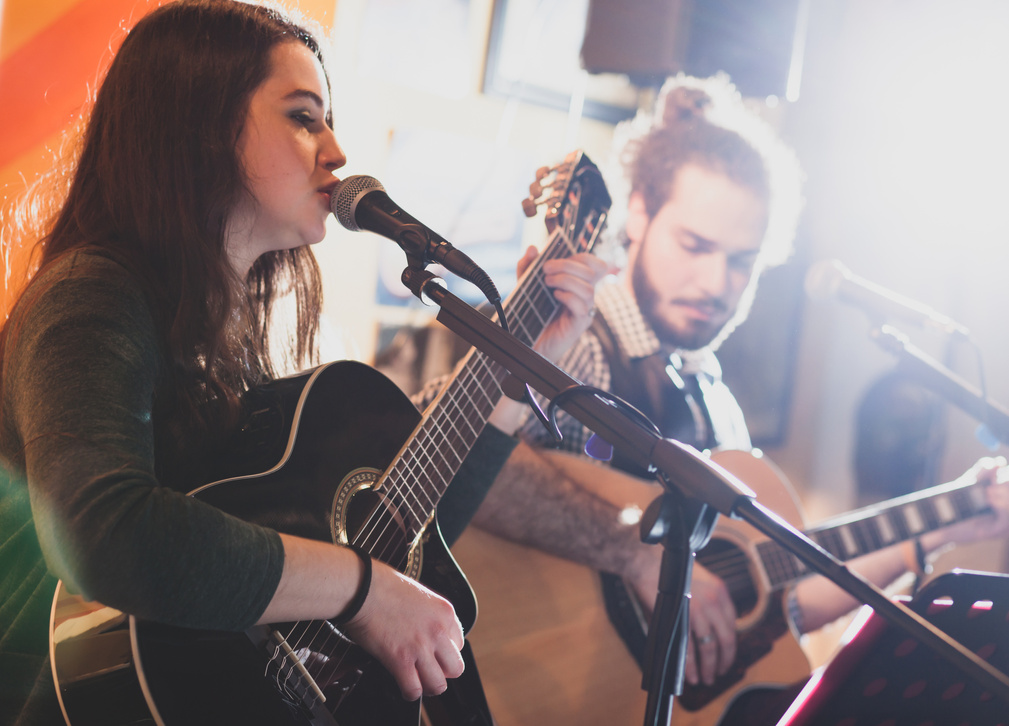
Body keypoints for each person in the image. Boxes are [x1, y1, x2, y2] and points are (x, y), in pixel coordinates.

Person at [0, 2, 607, 724]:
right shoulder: (92, 296)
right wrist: (364, 591)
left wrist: (520, 380)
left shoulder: (226, 334)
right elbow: (106, 536)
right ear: (198, 127)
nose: (337, 151)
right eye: (302, 116)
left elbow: (406, 534)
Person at [457, 74, 1009, 724]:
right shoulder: (581, 343)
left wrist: (939, 526)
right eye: (695, 246)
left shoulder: (713, 398)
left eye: (742, 262)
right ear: (638, 212)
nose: (716, 283)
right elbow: (467, 468)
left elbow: (780, 605)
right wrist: (629, 551)